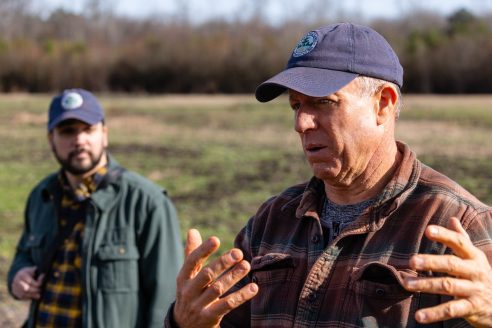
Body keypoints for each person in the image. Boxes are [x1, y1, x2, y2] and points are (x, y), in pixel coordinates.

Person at [166, 23, 492, 327]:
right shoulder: (271, 221)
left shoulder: (456, 225)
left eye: (323, 102)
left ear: (383, 104)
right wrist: (184, 321)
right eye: (296, 105)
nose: (302, 123)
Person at [7, 88, 184, 327]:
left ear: (105, 134)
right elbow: (23, 255)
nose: (79, 140)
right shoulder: (42, 195)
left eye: (88, 129)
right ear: (51, 139)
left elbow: (166, 301)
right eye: (67, 131)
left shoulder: (148, 202)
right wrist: (17, 276)